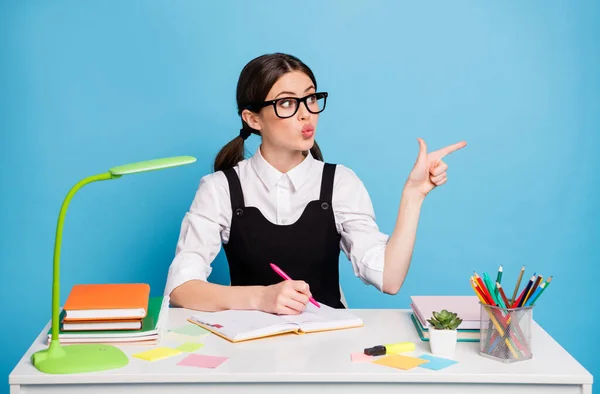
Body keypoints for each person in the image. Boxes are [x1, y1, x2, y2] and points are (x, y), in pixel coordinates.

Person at [164, 52, 466, 314]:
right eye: (287, 103)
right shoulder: (219, 188)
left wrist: (414, 194)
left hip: (330, 347)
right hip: (248, 351)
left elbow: (389, 278)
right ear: (253, 119)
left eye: (310, 98)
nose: (306, 113)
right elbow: (180, 290)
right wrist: (260, 297)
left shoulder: (341, 182)